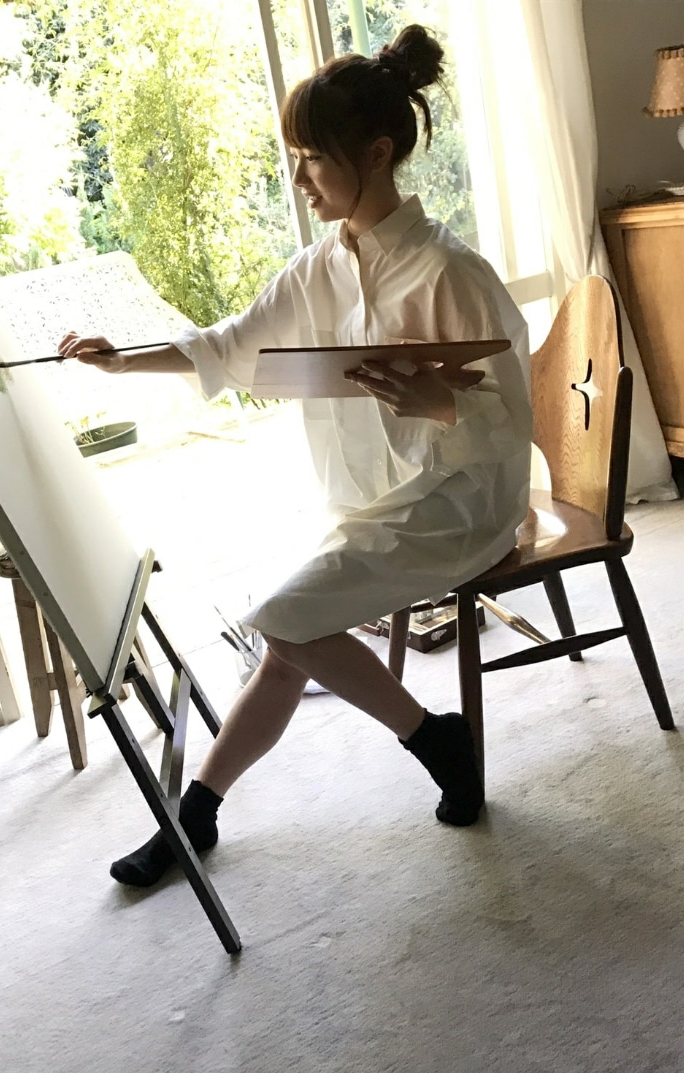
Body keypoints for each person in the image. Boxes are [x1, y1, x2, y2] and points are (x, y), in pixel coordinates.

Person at [58, 24, 533, 888]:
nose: (300, 178)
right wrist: (124, 360)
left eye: (312, 159)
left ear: (376, 153)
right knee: (291, 641)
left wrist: (435, 402)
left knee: (283, 619)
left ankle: (433, 739)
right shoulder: (319, 268)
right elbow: (229, 343)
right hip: (374, 501)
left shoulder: (447, 272)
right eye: (296, 159)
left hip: (460, 502)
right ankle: (196, 813)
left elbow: (507, 426)